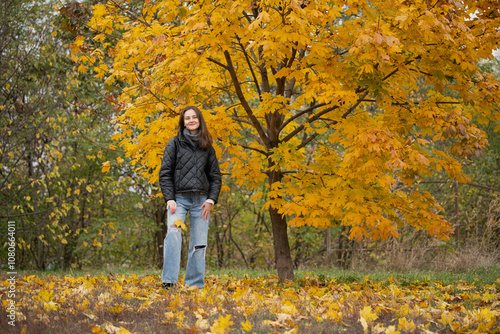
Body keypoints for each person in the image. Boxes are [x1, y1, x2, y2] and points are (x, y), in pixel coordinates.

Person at [159, 106, 221, 289]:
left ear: (200, 120)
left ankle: (193, 285)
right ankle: (168, 282)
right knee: (173, 234)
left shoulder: (207, 146)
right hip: (178, 200)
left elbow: (215, 176)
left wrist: (211, 200)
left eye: (194, 117)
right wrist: (169, 199)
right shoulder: (174, 144)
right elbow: (165, 173)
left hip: (201, 202)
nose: (191, 120)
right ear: (183, 122)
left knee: (199, 244)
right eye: (187, 118)